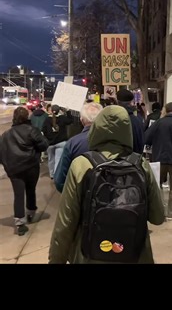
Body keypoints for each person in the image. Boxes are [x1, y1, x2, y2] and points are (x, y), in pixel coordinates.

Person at [48, 105, 165, 263]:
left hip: (90, 254)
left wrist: (56, 259)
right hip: (133, 254)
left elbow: (65, 222)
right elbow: (157, 217)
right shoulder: (140, 164)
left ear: (97, 129)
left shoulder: (82, 165)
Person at [0, 106, 48, 235]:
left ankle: (19, 222)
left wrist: (7, 164)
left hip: (14, 169)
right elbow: (43, 145)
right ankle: (31, 212)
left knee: (18, 194)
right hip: (31, 166)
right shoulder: (32, 130)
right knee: (31, 190)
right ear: (27, 116)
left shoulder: (6, 135)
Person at [54, 102, 103, 192]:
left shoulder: (73, 143)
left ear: (82, 120)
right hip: (109, 197)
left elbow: (59, 180)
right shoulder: (113, 139)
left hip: (81, 195)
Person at [42, 104, 73, 179]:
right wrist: (68, 111)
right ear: (59, 110)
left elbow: (43, 130)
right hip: (61, 142)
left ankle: (52, 174)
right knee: (58, 159)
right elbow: (70, 120)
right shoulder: (62, 118)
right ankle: (56, 175)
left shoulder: (47, 120)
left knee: (51, 159)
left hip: (50, 143)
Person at [116, 89, 144, 153]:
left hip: (119, 159)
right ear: (131, 102)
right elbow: (141, 141)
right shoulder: (137, 119)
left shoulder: (115, 119)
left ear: (117, 102)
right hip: (134, 158)